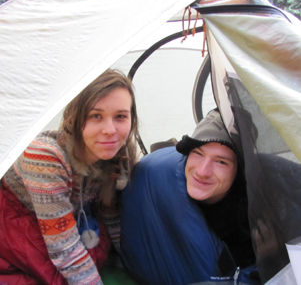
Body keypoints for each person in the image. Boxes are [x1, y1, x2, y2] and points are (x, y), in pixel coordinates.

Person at [0, 69, 138, 285]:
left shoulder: (120, 153)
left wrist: (134, 265)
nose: (110, 130)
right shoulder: (44, 156)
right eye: (96, 116)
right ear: (75, 118)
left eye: (120, 116)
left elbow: (110, 213)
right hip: (17, 219)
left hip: (71, 215)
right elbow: (63, 247)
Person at [120, 108, 260, 285]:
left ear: (241, 169)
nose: (202, 172)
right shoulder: (152, 176)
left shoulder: (260, 209)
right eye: (198, 153)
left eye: (221, 162)